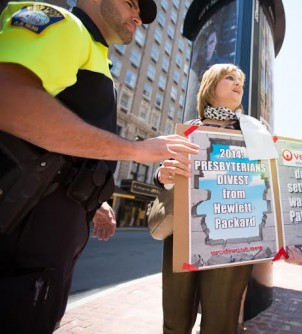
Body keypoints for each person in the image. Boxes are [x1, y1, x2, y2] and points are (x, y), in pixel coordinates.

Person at [0, 1, 199, 333]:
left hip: (44, 243)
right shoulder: (63, 24)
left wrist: (88, 197)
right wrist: (135, 150)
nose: (138, 16)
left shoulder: (98, 58)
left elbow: (58, 148)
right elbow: (8, 97)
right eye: (130, 3)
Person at [154, 64, 253, 334]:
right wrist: (163, 175)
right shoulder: (188, 130)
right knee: (174, 320)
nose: (238, 84)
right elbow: (163, 173)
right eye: (230, 78)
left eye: (241, 81)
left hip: (232, 238)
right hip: (184, 233)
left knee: (221, 323)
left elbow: (270, 182)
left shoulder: (255, 131)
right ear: (210, 87)